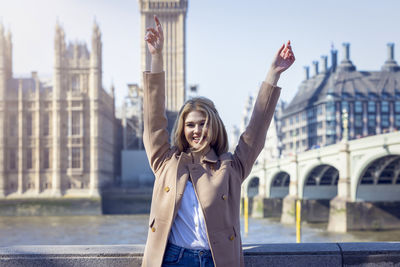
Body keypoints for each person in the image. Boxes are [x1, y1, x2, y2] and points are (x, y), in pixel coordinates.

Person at [142, 15, 295, 267]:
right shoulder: (165, 162)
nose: (197, 130)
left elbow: (255, 131)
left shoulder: (230, 168)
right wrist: (156, 57)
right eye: (190, 124)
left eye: (203, 124)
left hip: (218, 261)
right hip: (172, 259)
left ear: (214, 127)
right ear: (182, 129)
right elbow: (153, 120)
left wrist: (273, 75)